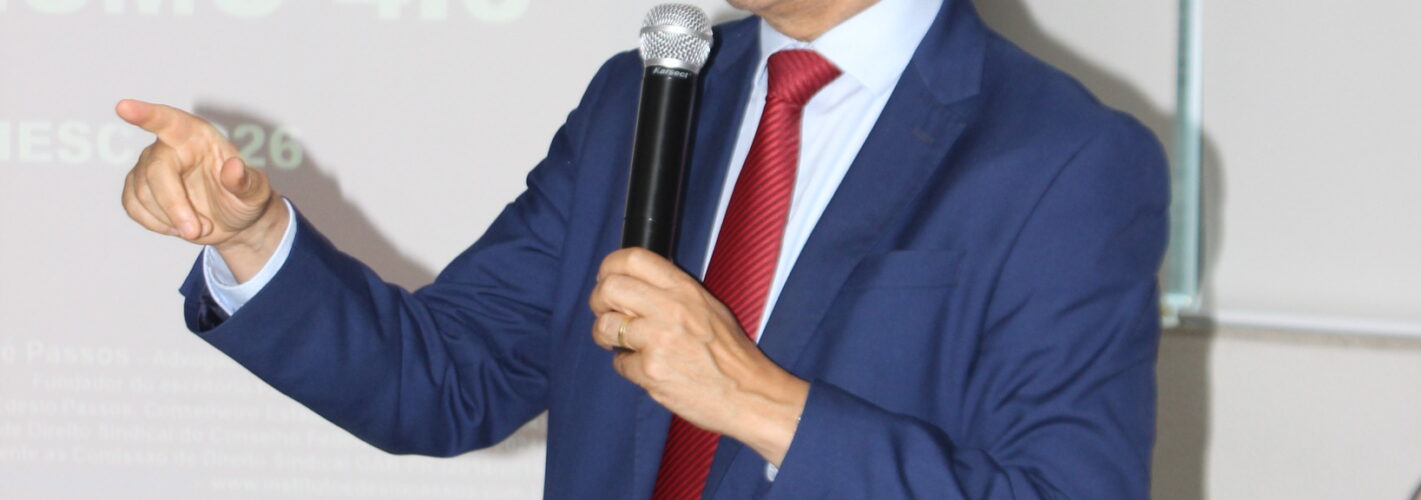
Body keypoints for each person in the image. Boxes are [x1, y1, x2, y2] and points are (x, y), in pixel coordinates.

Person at [115, 0, 1168, 497]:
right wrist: (254, 238)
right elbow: (446, 379)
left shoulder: (1063, 158)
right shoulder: (646, 96)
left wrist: (761, 403)